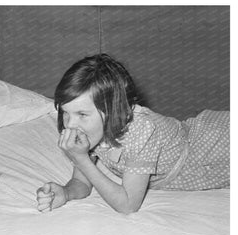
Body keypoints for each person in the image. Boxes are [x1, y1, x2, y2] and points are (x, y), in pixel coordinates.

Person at [36, 53, 229, 214]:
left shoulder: (141, 130)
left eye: (82, 114)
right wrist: (66, 193)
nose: (70, 124)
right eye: (65, 113)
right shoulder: (88, 131)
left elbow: (127, 205)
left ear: (113, 110)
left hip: (217, 145)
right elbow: (81, 181)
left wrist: (82, 159)